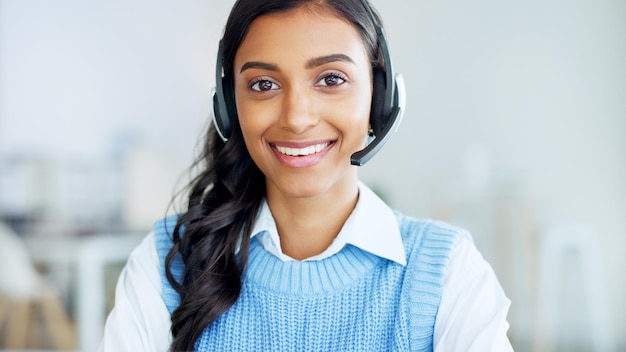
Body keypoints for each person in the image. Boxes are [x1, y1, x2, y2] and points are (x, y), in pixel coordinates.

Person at [99, 0, 513, 351]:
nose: (297, 118)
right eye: (263, 84)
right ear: (229, 106)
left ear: (380, 97)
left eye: (331, 79)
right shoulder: (163, 265)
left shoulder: (447, 272)